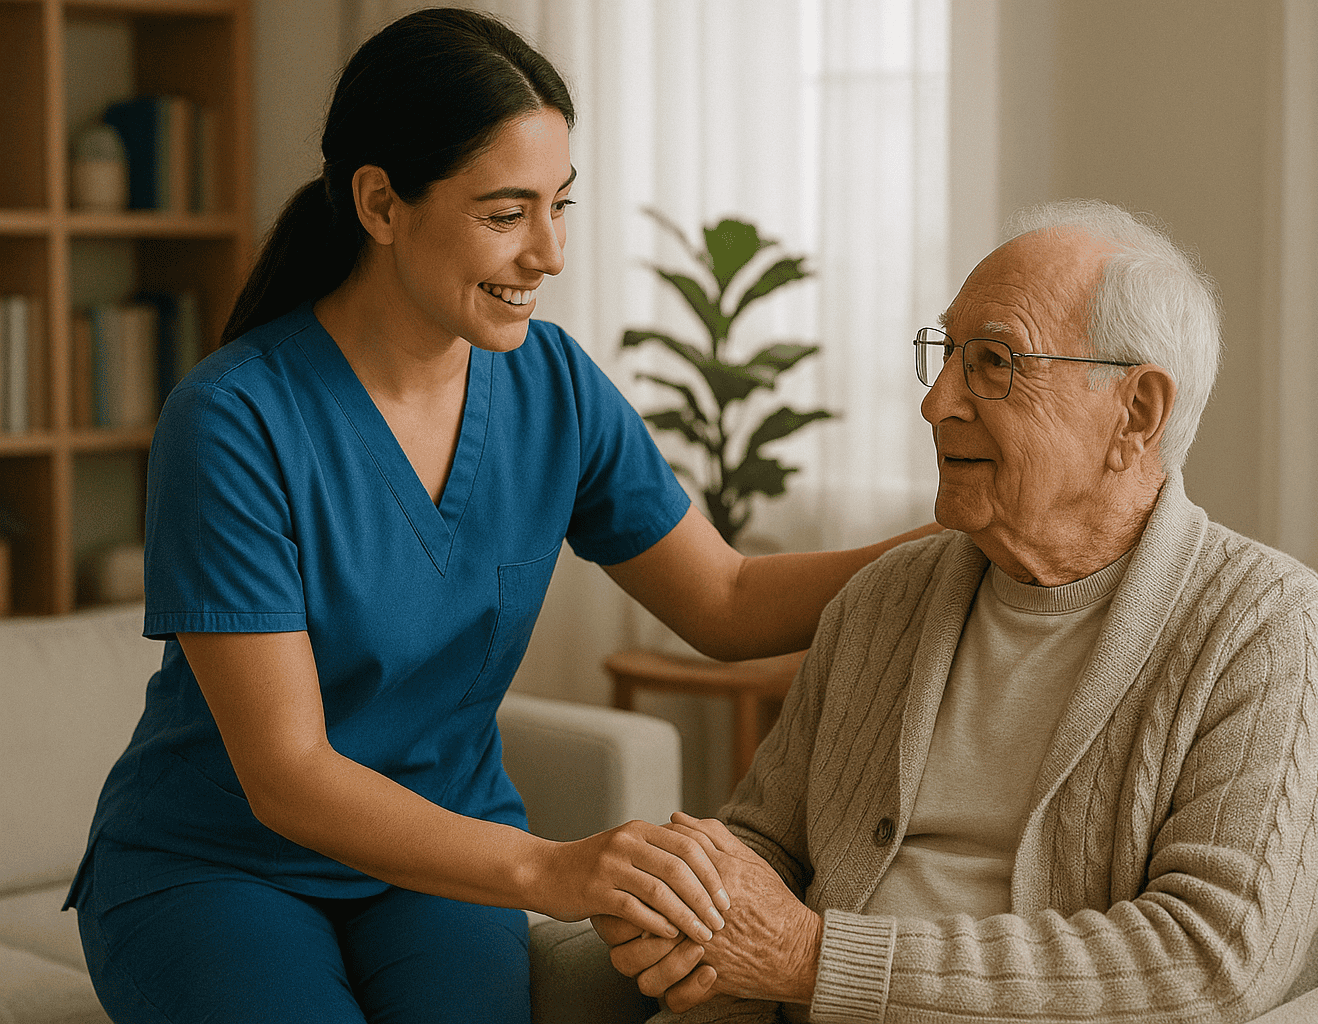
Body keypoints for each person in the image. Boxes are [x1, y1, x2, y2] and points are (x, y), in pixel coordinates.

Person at [64, 9, 934, 1024]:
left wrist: (956, 539)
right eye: (506, 213)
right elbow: (290, 776)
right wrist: (552, 867)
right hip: (217, 865)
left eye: (561, 205)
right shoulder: (233, 419)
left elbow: (727, 599)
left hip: (439, 858)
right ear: (381, 204)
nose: (550, 253)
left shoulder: (553, 386)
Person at [594, 199, 1318, 1024]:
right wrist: (686, 903)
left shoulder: (1266, 627)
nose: (938, 403)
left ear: (1136, 413)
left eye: (994, 362)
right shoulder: (885, 597)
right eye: (947, 354)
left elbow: (1211, 962)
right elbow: (767, 841)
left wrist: (814, 960)